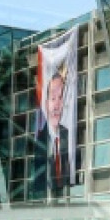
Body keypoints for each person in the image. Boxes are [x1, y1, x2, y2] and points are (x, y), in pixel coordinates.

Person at [31, 68, 72, 198]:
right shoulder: (38, 141)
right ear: (46, 103)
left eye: (61, 98)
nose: (56, 105)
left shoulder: (70, 135)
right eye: (53, 98)